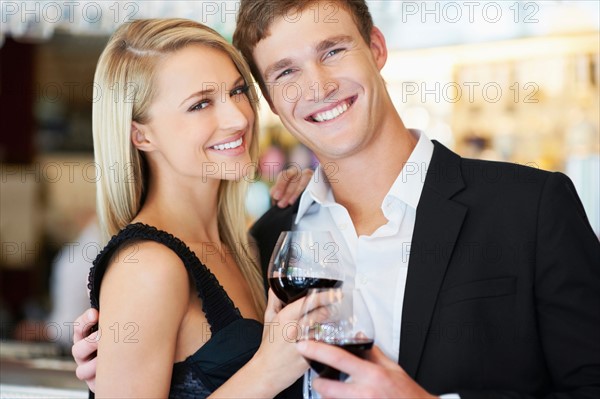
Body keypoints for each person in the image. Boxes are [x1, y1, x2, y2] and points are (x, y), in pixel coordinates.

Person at [74, 1, 600, 397]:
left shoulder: (529, 209)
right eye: (285, 73)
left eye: (332, 50)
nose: (319, 85)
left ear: (375, 48)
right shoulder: (273, 240)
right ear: (275, 100)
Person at [78, 18, 308, 397]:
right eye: (200, 104)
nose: (239, 118)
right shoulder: (148, 267)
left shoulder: (246, 246)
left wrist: (326, 192)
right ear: (141, 134)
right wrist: (268, 370)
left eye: (237, 92)